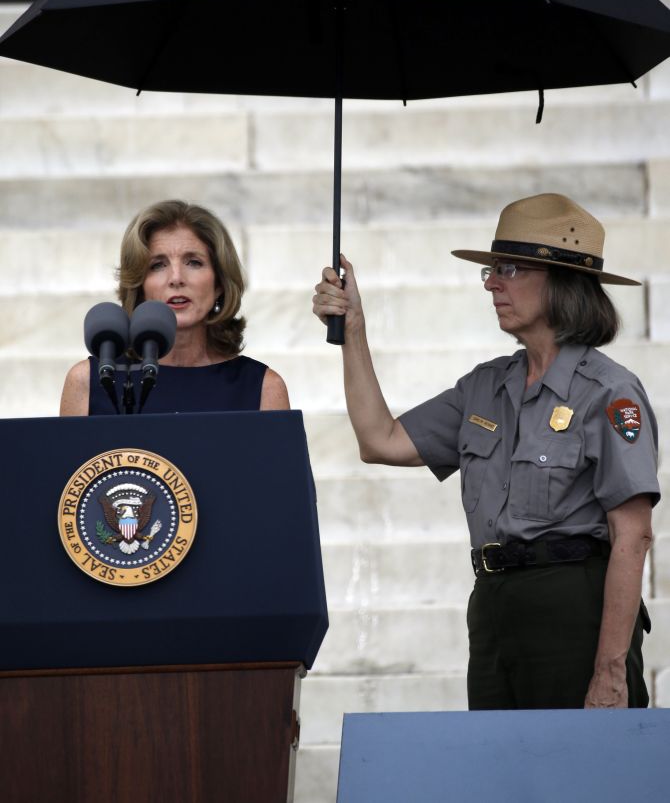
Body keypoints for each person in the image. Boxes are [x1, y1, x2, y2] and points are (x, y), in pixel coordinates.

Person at [313, 192, 659, 710]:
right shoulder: (485, 387)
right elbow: (378, 439)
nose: (493, 283)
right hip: (494, 607)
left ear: (562, 282)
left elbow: (632, 535)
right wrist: (354, 332)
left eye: (511, 269)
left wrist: (610, 671)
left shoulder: (610, 393)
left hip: (572, 609)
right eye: (492, 270)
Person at [61, 199, 289, 415]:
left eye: (194, 262)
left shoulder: (264, 388)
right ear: (140, 286)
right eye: (158, 265)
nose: (176, 278)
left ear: (219, 282)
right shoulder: (89, 383)